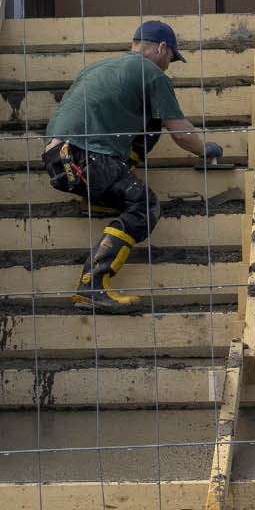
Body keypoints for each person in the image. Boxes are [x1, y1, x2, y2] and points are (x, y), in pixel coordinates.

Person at [42, 20, 223, 313]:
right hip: (86, 158)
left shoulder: (98, 68)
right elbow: (180, 132)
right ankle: (92, 286)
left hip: (58, 160)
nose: (168, 66)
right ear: (162, 48)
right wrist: (205, 149)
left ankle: (99, 199)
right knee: (145, 206)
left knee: (151, 119)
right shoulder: (151, 73)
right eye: (171, 58)